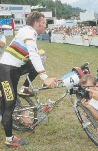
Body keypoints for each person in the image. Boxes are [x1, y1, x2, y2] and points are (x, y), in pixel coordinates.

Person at [0, 11, 57, 147]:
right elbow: (32, 54)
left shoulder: (30, 32)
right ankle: (9, 139)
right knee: (10, 104)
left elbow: (34, 56)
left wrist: (39, 64)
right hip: (6, 71)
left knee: (39, 60)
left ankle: (24, 88)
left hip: (13, 69)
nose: (45, 25)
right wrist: (45, 77)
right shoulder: (28, 32)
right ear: (36, 23)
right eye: (43, 22)